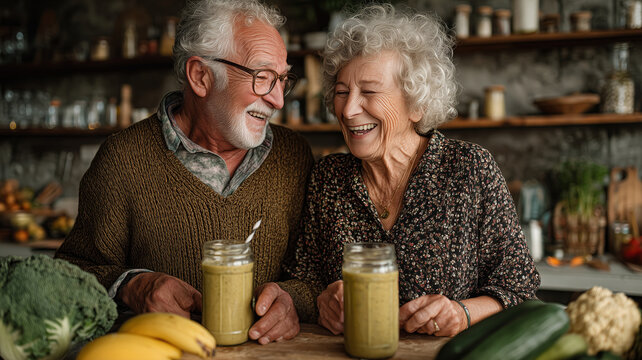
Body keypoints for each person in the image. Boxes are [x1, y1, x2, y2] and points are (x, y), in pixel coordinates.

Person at [55, 0, 313, 345]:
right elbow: (69, 276)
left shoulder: (294, 156)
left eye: (282, 79)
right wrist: (133, 285)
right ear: (201, 76)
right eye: (262, 77)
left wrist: (293, 298)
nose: (279, 99)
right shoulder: (123, 161)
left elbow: (317, 272)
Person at [284, 4, 540, 337]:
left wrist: (462, 313)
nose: (348, 110)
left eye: (370, 92)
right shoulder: (328, 177)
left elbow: (520, 287)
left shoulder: (468, 169)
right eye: (342, 92)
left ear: (417, 104)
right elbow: (303, 280)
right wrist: (322, 300)